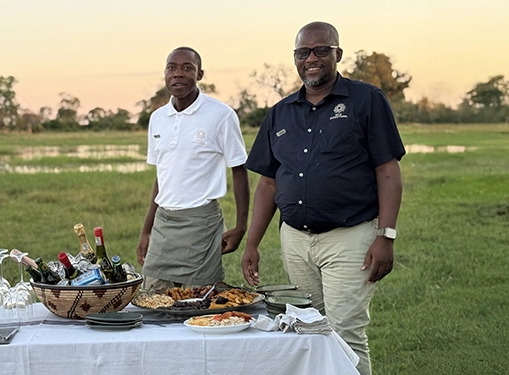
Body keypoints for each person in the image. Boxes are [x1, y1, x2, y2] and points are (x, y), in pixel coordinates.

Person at [241, 22, 405, 375]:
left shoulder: (366, 100)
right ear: (295, 58)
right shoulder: (281, 112)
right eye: (303, 52)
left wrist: (386, 236)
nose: (311, 59)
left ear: (337, 54)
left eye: (320, 51)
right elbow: (268, 184)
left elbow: (388, 171)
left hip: (351, 238)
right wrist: (252, 243)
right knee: (307, 330)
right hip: (296, 240)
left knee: (345, 332)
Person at [136, 47, 250, 292]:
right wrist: (147, 230)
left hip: (201, 223)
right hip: (164, 224)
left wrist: (241, 226)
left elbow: (239, 170)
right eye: (171, 67)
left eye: (187, 67)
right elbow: (162, 176)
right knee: (152, 297)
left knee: (197, 301)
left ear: (200, 74)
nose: (178, 73)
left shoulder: (221, 115)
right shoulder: (157, 118)